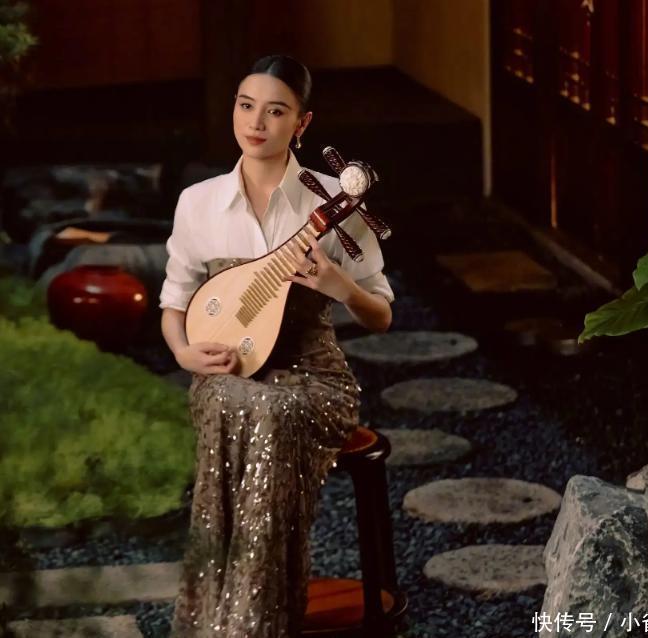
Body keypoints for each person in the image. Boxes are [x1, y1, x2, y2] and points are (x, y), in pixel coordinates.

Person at [159, 54, 394, 637]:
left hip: (314, 379)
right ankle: (236, 611)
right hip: (227, 372)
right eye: (246, 106)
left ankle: (253, 615)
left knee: (271, 412)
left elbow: (382, 316)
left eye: (275, 111)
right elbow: (175, 304)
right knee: (244, 403)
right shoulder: (199, 202)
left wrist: (338, 286)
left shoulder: (331, 198)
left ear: (302, 123)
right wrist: (184, 354)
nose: (256, 122)